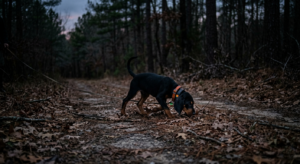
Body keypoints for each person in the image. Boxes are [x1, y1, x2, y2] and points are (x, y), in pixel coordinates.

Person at [0, 16, 9, 93]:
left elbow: (3, 32)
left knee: (0, 66)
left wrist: (5, 42)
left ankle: (0, 86)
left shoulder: (0, 19)